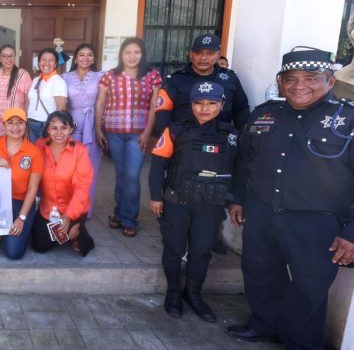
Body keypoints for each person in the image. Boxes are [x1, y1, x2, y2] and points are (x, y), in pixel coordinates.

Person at [226, 48, 354, 349]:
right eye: (291, 79)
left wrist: (351, 233)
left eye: (311, 78)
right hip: (262, 212)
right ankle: (264, 324)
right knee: (259, 273)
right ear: (280, 82)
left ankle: (300, 342)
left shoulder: (347, 120)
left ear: (331, 81)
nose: (299, 86)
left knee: (310, 286)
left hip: (316, 221)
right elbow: (245, 161)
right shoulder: (265, 114)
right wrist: (238, 199)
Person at [149, 81, 238, 322]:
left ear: (221, 105)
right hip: (178, 203)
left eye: (211, 104)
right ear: (191, 104)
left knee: (201, 251)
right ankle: (174, 293)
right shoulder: (175, 131)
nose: (205, 108)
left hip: (210, 206)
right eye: (199, 103)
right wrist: (155, 197)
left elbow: (239, 172)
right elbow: (157, 166)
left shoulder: (231, 136)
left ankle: (194, 294)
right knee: (174, 249)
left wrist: (234, 202)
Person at [96, 37, 162, 237]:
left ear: (142, 55)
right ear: (121, 55)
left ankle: (129, 219)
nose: (132, 56)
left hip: (137, 135)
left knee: (132, 176)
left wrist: (147, 133)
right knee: (121, 174)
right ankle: (119, 213)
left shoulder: (152, 76)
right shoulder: (109, 76)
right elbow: (100, 103)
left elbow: (154, 106)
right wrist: (99, 129)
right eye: (128, 52)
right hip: (114, 132)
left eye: (137, 52)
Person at [0, 108, 42, 259]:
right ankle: (1, 231)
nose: (15, 127)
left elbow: (33, 188)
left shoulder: (34, 152)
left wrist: (22, 218)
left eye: (20, 123)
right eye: (10, 123)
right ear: (4, 125)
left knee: (13, 252)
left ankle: (23, 228)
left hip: (21, 202)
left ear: (26, 125)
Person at [155, 34, 250, 134]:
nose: (203, 57)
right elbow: (163, 114)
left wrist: (242, 139)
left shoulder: (230, 78)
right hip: (184, 142)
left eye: (210, 53)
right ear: (191, 54)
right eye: (198, 53)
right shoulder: (175, 79)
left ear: (218, 55)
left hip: (221, 142)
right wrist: (168, 138)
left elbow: (241, 110)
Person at [32, 111, 95, 256]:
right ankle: (66, 235)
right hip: (48, 208)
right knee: (39, 246)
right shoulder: (39, 147)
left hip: (73, 209)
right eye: (54, 128)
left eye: (64, 127)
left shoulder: (80, 151)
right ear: (48, 129)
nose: (59, 132)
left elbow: (82, 188)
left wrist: (68, 216)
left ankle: (79, 230)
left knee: (72, 236)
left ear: (71, 129)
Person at [62, 43, 103, 216]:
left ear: (93, 58)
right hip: (72, 127)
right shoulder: (65, 77)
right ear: (76, 58)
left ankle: (85, 210)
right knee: (70, 169)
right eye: (81, 55)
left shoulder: (101, 76)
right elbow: (62, 103)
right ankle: (69, 208)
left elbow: (103, 102)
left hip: (92, 127)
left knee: (89, 170)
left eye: (89, 55)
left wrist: (100, 127)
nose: (85, 58)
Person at [0, 44, 32, 137]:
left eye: (11, 55)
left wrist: (24, 120)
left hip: (16, 123)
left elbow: (28, 99)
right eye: (4, 56)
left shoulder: (23, 74)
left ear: (15, 57)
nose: (8, 59)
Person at [27, 48, 67, 143]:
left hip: (46, 125)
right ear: (39, 62)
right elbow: (30, 101)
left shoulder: (58, 82)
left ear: (56, 63)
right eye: (44, 60)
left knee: (46, 155)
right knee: (34, 154)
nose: (47, 63)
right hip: (31, 123)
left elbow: (61, 108)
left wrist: (53, 127)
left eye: (51, 60)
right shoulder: (36, 80)